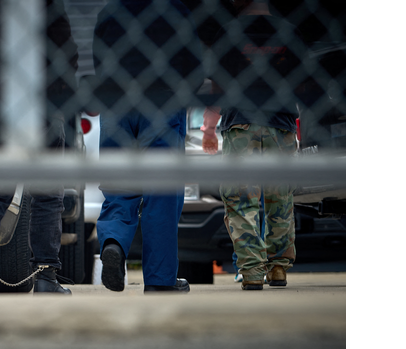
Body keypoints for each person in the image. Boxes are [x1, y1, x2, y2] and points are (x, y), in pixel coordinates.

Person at [0, 0, 79, 295]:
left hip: (2, 97)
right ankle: (46, 276)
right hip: (42, 97)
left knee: (3, 183)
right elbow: (65, 45)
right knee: (48, 192)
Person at [92, 0, 203, 294]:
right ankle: (159, 279)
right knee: (162, 193)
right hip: (163, 100)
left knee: (118, 186)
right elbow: (196, 65)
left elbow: (96, 61)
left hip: (115, 102)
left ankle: (113, 243)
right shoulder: (178, 9)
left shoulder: (110, 11)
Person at [201, 0, 305, 290]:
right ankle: (279, 269)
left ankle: (251, 272)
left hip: (240, 123)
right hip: (281, 124)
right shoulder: (290, 33)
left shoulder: (229, 33)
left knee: (240, 200)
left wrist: (209, 128)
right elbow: (304, 85)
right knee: (280, 200)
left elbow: (218, 86)